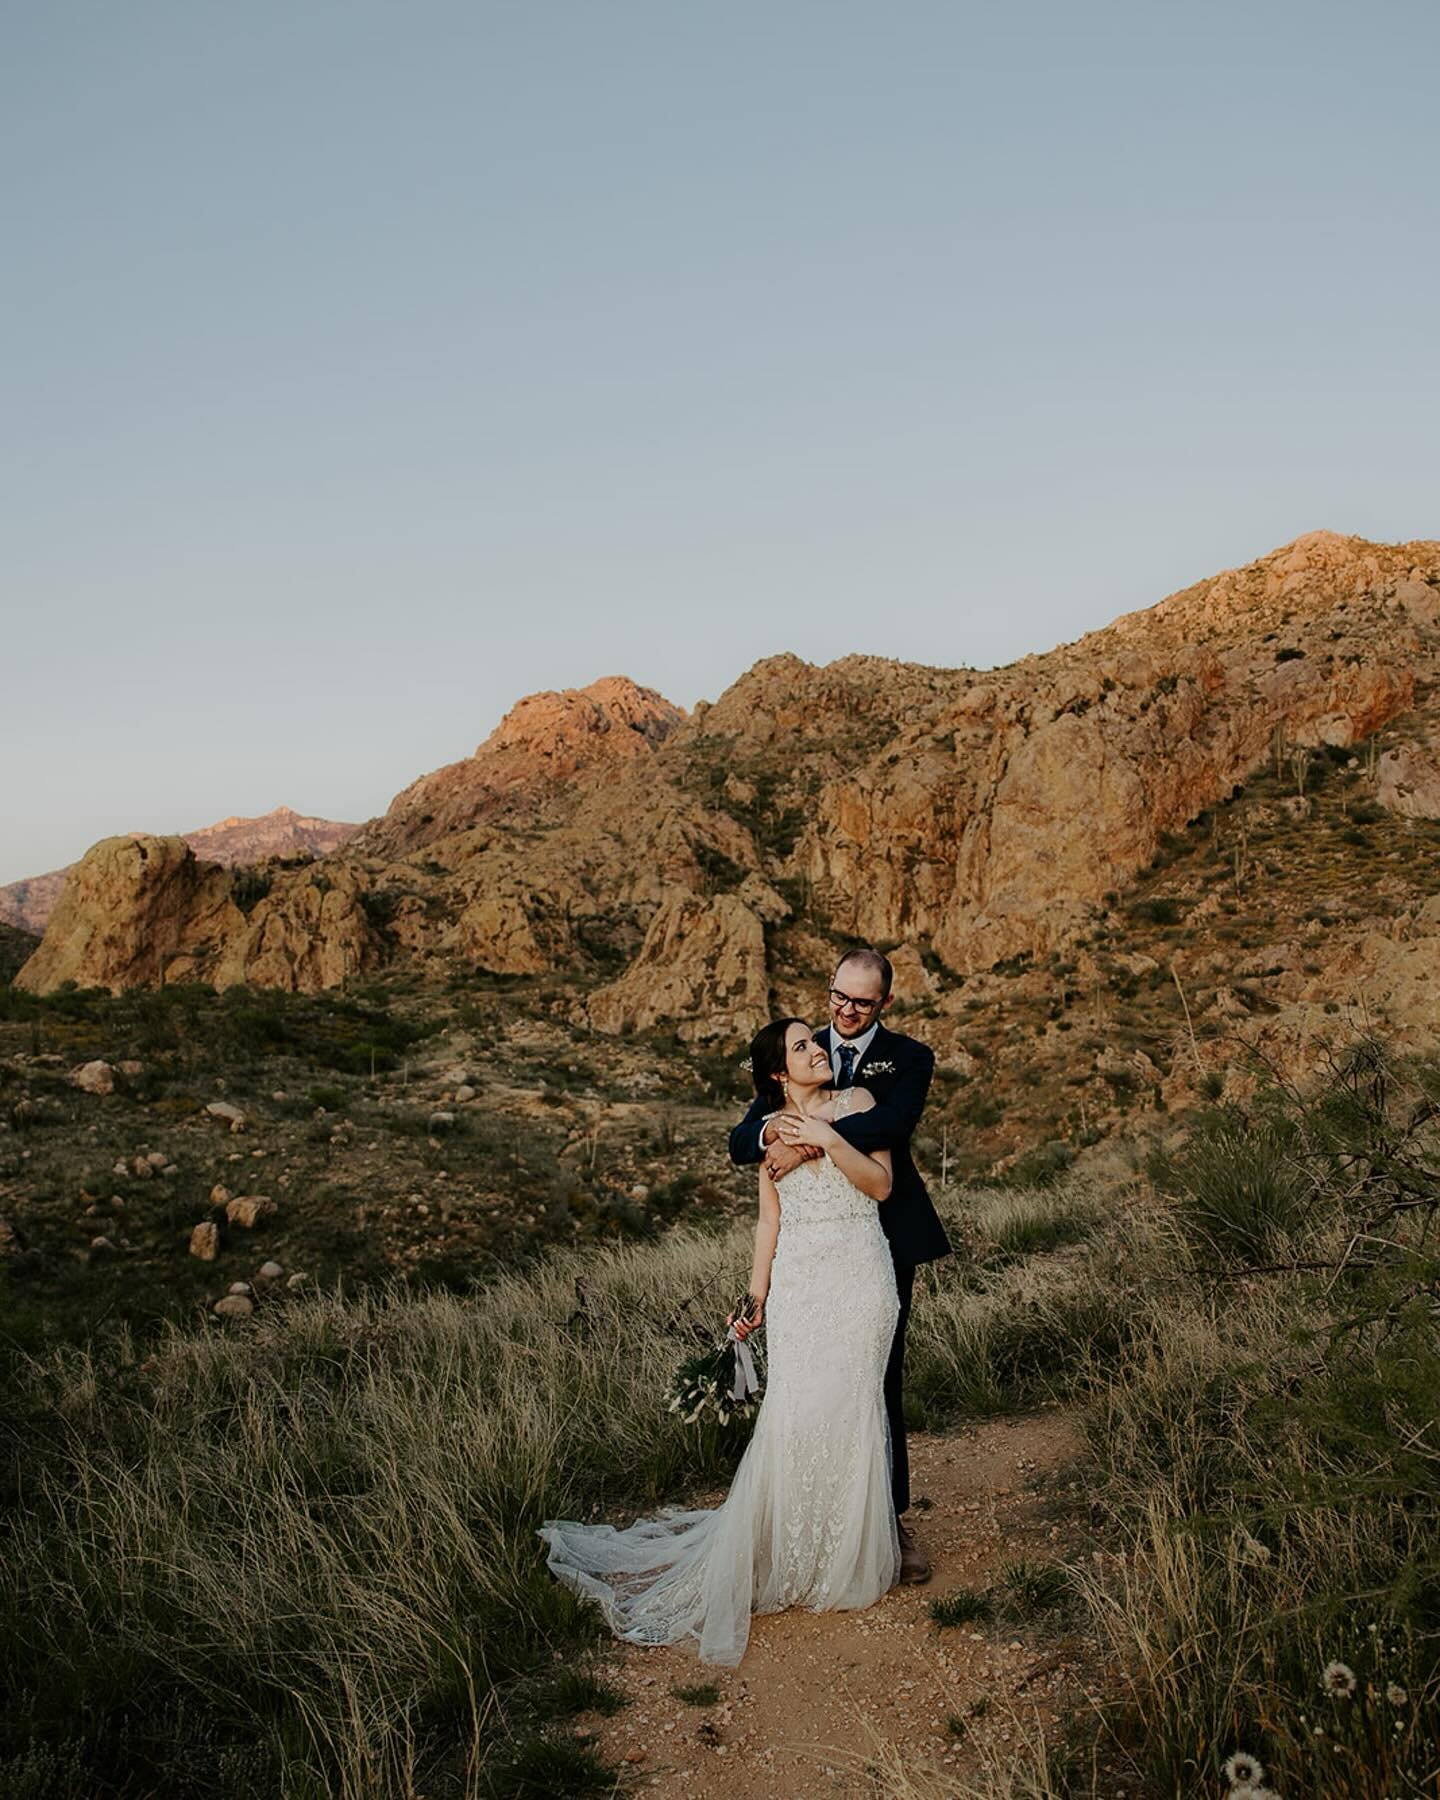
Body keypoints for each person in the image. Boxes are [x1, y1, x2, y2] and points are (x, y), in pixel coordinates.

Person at [538, 1016, 902, 1666]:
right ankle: (792, 1553)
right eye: (801, 1047)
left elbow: (880, 1185)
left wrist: (825, 1137)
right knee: (797, 1412)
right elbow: (770, 1219)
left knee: (853, 1408)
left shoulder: (859, 1104)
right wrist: (755, 1297)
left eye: (815, 1042)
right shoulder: (767, 1130)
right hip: (800, 1285)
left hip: (860, 1277)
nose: (817, 1049)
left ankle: (847, 1558)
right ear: (776, 1073)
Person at [728, 947, 951, 1583]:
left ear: (883, 1002)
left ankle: (888, 1518)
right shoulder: (799, 1050)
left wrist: (816, 1139)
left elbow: (895, 1121)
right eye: (838, 997)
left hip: (879, 1241)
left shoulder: (908, 1058)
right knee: (808, 1389)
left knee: (880, 1378)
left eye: (862, 1002)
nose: (846, 1011)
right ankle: (808, 1520)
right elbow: (743, 1138)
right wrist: (778, 1136)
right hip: (808, 1255)